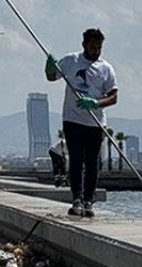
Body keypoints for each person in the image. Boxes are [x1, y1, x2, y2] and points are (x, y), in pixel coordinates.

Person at [45, 27, 117, 217]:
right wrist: (49, 67)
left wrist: (96, 103)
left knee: (92, 163)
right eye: (93, 47)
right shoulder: (71, 61)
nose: (96, 51)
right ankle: (76, 199)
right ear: (84, 45)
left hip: (95, 122)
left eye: (99, 48)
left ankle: (88, 201)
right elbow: (52, 77)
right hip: (73, 120)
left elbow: (113, 97)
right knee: (76, 160)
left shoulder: (106, 68)